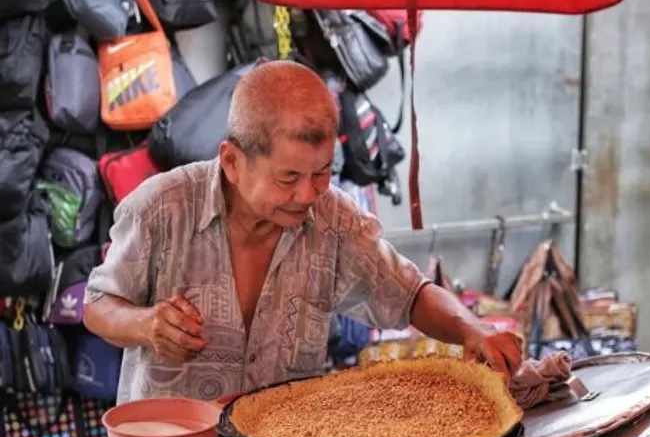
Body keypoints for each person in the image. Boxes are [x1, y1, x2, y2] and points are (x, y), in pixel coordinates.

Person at [83, 60, 522, 405]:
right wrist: (146, 324)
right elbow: (98, 304)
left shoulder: (334, 219)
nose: (307, 193)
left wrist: (471, 329)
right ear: (233, 161)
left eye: (322, 172)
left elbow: (408, 292)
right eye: (287, 177)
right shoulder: (161, 208)